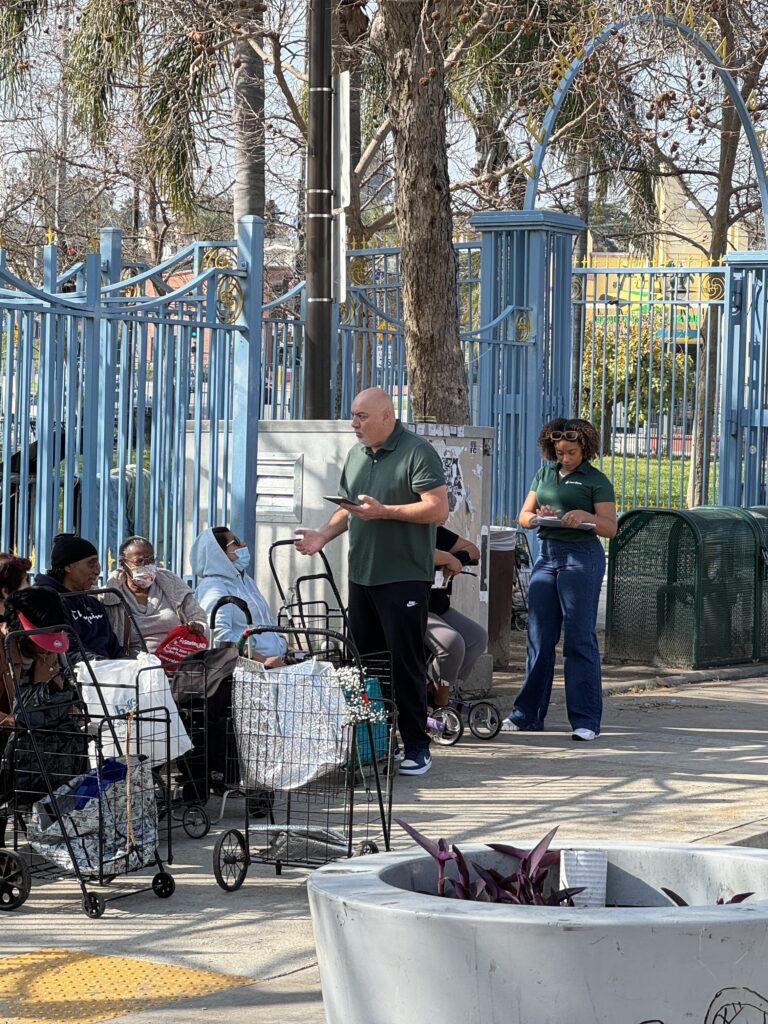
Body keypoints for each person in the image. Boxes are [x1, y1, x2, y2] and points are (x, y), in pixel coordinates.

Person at [295, 387, 448, 777]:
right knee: (367, 665)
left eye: (361, 416)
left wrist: (385, 512)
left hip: (403, 576)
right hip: (362, 575)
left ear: (387, 416)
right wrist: (320, 536)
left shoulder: (417, 451)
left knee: (405, 662)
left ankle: (417, 746)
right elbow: (350, 509)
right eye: (352, 415)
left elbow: (438, 509)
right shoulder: (356, 454)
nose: (354, 424)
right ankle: (379, 742)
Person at [502, 417, 617, 742]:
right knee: (539, 638)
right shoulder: (545, 474)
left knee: (579, 638)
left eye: (571, 452)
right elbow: (523, 517)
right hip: (548, 556)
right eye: (559, 452)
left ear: (585, 449)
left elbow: (610, 527)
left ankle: (585, 719)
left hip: (581, 557)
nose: (564, 458)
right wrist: (540, 517)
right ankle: (527, 715)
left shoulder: (595, 480)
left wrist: (586, 517)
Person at [0, 586, 87, 811]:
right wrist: (10, 722)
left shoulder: (54, 652)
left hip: (40, 743)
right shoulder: (4, 650)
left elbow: (66, 695)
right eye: (38, 642)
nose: (43, 650)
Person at [189, 526, 287, 664]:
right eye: (235, 542)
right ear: (219, 553)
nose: (244, 544)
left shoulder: (245, 580)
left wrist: (286, 649)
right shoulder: (213, 586)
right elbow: (220, 637)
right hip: (250, 669)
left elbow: (265, 622)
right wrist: (263, 660)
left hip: (276, 664)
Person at [103, 536, 208, 656]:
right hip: (136, 666)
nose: (147, 566)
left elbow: (199, 619)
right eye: (139, 561)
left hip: (177, 662)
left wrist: (198, 627)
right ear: (123, 563)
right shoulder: (110, 596)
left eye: (151, 560)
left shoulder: (173, 586)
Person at [34, 533, 123, 660]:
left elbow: (114, 648)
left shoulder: (94, 604)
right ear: (68, 567)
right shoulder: (50, 603)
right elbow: (67, 652)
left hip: (107, 672)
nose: (97, 570)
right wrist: (102, 665)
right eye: (91, 564)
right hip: (79, 674)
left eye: (97, 563)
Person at [426, 527, 487, 707]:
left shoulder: (435, 530)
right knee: (452, 642)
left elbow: (474, 550)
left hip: (438, 606)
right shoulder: (411, 531)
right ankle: (440, 701)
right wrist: (449, 559)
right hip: (412, 609)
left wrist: (459, 559)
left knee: (477, 638)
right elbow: (422, 552)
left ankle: (437, 689)